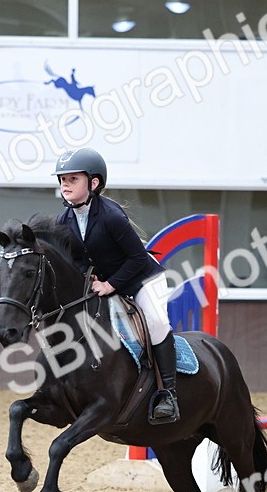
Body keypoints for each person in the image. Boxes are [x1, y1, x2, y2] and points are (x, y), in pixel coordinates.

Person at [53, 147, 180, 423]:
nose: (65, 184)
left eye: (73, 179)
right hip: (104, 281)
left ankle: (167, 394)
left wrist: (110, 285)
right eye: (62, 179)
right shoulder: (63, 220)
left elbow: (138, 258)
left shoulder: (111, 215)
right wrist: (88, 275)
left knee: (157, 323)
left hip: (141, 278)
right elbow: (75, 259)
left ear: (93, 183)